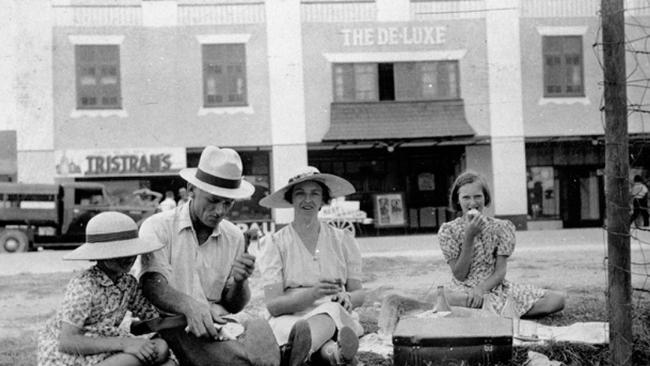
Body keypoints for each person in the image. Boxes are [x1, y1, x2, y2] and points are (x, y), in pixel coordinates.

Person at [137, 146, 292, 366]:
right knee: (241, 358)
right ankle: (279, 356)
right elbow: (152, 285)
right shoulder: (158, 227)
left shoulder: (234, 236)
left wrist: (240, 282)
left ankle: (269, 356)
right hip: (170, 326)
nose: (219, 210)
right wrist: (190, 306)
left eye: (227, 203)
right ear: (191, 189)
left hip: (217, 324)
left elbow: (233, 304)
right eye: (213, 200)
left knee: (251, 326)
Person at [258, 166, 366, 366]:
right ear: (291, 199)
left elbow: (359, 293)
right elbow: (273, 306)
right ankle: (334, 355)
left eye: (314, 194)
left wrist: (348, 297)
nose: (307, 200)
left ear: (323, 200)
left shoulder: (342, 240)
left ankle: (295, 353)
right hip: (289, 318)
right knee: (306, 333)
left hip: (331, 315)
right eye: (300, 194)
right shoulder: (275, 243)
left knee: (330, 312)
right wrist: (312, 294)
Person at [37, 211, 174, 366]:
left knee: (161, 350)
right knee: (134, 359)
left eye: (132, 252)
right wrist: (126, 343)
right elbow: (67, 342)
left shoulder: (127, 283)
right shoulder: (84, 285)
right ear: (100, 255)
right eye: (119, 254)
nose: (129, 258)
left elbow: (155, 322)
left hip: (105, 346)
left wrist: (192, 316)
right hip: (71, 353)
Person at [437, 171, 565, 317]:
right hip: (463, 290)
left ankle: (486, 309)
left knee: (558, 300)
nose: (472, 203)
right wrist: (469, 237)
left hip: (495, 287)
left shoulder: (502, 227)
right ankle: (500, 310)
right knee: (447, 297)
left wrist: (481, 289)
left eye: (478, 196)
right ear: (457, 200)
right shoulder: (448, 230)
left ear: (485, 198)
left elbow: (500, 272)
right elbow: (459, 275)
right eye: (466, 197)